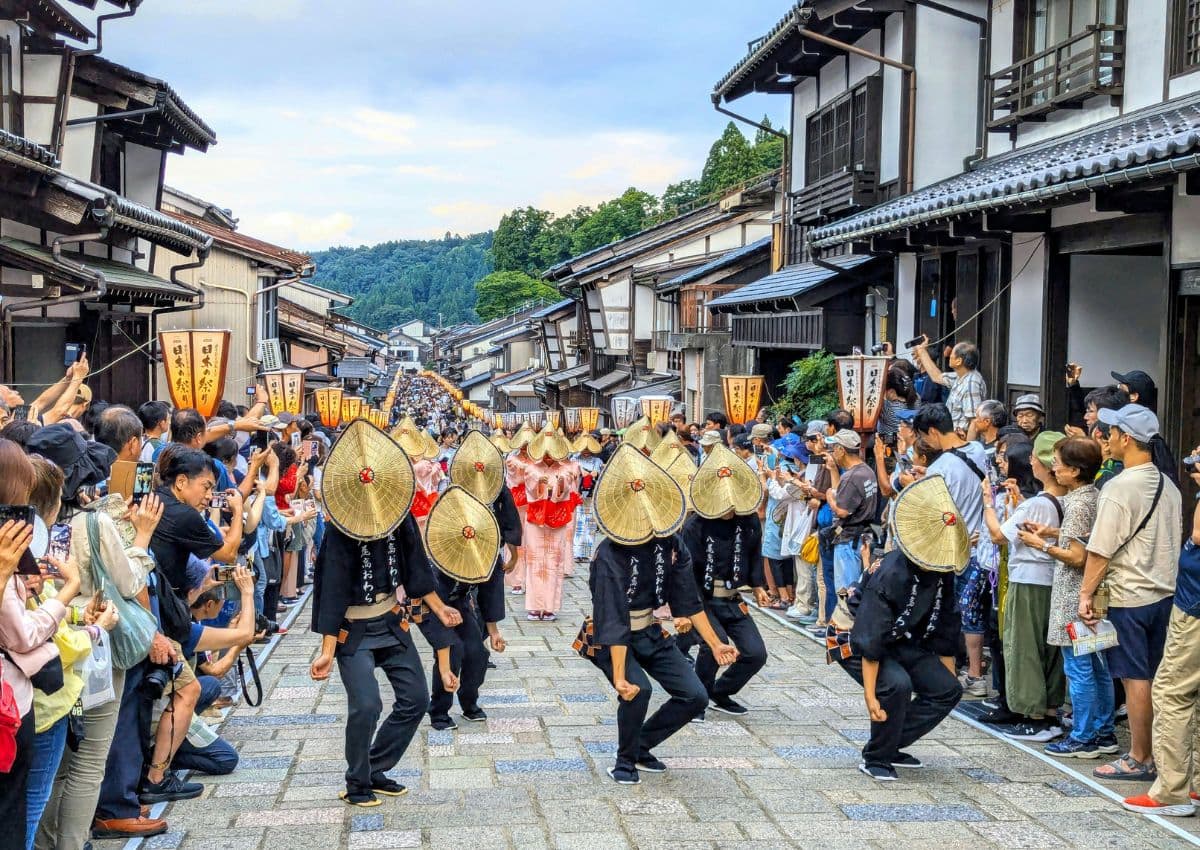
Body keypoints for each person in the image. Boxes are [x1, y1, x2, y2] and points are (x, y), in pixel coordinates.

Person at [309, 421, 462, 808]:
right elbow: (331, 591)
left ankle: (375, 768)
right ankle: (356, 781)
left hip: (391, 622)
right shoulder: (338, 529)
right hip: (353, 629)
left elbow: (416, 571)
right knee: (366, 705)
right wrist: (326, 649)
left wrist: (440, 608)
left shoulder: (400, 516)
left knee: (415, 699)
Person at [582, 444, 738, 785]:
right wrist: (620, 677)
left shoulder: (670, 543)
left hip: (651, 631)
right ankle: (624, 761)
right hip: (612, 638)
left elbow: (688, 600)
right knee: (638, 689)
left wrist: (713, 644)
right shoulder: (608, 553)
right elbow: (613, 619)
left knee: (695, 696)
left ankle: (641, 745)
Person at [834, 475, 965, 781]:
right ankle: (877, 756)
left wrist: (943, 678)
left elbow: (946, 626)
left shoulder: (942, 569)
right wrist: (870, 698)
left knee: (947, 690)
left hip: (900, 637)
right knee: (896, 684)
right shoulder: (892, 571)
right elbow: (870, 637)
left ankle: (889, 743)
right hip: (852, 635)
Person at [1079, 404, 1181, 782]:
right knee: (1156, 676)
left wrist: (1085, 594)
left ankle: (1141, 756)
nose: (1106, 437)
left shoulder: (1119, 487)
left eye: (1111, 431)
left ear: (1125, 437)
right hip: (1166, 594)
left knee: (1134, 677)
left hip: (1130, 596)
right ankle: (1158, 752)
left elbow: (1100, 550)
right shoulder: (1168, 484)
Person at [1015, 436, 1114, 759]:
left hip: (1075, 592)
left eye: (1057, 462)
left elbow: (1076, 555)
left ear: (1074, 470)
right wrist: (1051, 532)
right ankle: (1102, 729)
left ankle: (1084, 735)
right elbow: (1080, 539)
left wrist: (1039, 543)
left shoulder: (1078, 503)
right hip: (1088, 592)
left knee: (1079, 666)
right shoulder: (1089, 497)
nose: (1053, 467)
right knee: (1095, 664)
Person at [1124, 449, 1200, 816]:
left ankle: (1171, 791)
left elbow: (1199, 535)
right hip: (1189, 601)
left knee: (1171, 690)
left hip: (1195, 607)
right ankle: (1193, 780)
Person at [983, 431, 1066, 742]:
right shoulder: (1066, 499)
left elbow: (998, 535)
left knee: (1026, 648)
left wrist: (989, 504)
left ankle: (1033, 714)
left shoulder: (1037, 504)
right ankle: (1050, 712)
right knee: (1050, 649)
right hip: (1054, 579)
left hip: (1029, 580)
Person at [681, 444, 768, 719]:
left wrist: (758, 585)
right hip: (702, 598)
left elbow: (755, 552)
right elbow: (685, 573)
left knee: (756, 653)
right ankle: (698, 699)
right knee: (713, 643)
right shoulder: (695, 525)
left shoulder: (749, 519)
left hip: (732, 597)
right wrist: (684, 610)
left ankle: (721, 691)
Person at [912, 403, 989, 695]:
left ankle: (947, 673)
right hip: (978, 546)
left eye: (923, 436)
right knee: (973, 612)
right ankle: (975, 672)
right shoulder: (978, 452)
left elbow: (934, 516)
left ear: (932, 432)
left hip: (949, 550)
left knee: (946, 614)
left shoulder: (939, 469)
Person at [522, 429, 579, 622]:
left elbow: (566, 490)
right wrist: (540, 484)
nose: (547, 455)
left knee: (554, 560)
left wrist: (559, 485)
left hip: (557, 517)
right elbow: (530, 488)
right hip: (536, 518)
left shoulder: (566, 469)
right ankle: (533, 606)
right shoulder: (531, 468)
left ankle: (550, 607)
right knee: (535, 560)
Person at [823, 430, 878, 594]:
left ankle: (845, 619)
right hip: (863, 535)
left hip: (849, 538)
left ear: (841, 450)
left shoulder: (851, 477)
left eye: (834, 448)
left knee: (846, 590)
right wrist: (833, 470)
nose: (832, 451)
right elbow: (842, 492)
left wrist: (829, 498)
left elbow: (842, 511)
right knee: (858, 585)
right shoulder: (866, 470)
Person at [912, 338, 987, 434]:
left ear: (959, 361)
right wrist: (922, 351)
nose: (949, 356)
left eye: (952, 354)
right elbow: (937, 377)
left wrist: (967, 447)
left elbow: (973, 421)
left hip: (962, 441)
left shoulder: (971, 383)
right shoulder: (960, 376)